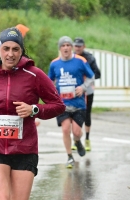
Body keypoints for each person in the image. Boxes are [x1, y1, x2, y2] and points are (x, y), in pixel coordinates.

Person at [0, 27, 65, 200]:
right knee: (3, 197)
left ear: (21, 51)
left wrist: (33, 109)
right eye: (6, 48)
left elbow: (58, 105)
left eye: (15, 49)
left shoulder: (34, 75)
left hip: (24, 148)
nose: (10, 54)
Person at [48, 36, 95, 168]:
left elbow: (91, 76)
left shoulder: (80, 61)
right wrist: (52, 96)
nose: (66, 47)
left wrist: (83, 88)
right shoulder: (54, 64)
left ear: (72, 47)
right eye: (63, 45)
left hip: (79, 103)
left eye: (68, 45)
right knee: (65, 129)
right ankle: (69, 156)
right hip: (62, 104)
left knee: (76, 131)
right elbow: (49, 82)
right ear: (60, 48)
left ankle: (78, 141)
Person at [72, 37, 101, 151]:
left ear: (84, 46)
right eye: (76, 46)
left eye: (80, 46)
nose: (77, 48)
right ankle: (76, 140)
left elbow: (97, 74)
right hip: (75, 91)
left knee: (87, 114)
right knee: (75, 115)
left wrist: (85, 76)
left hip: (87, 91)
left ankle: (87, 139)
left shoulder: (89, 58)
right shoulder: (71, 57)